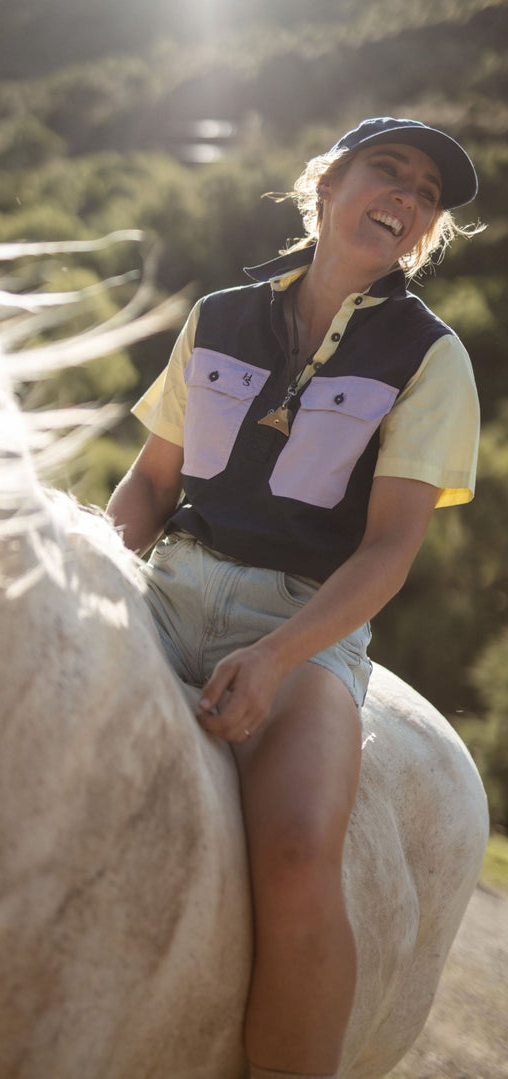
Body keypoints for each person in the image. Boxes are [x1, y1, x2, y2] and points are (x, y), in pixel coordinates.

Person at [106, 116, 480, 1079]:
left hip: (306, 629)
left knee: (297, 855)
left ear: (426, 234)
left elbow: (392, 546)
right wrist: (100, 581)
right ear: (327, 188)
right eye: (386, 172)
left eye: (426, 196)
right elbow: (150, 487)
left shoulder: (432, 357)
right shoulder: (219, 317)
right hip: (167, 592)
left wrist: (276, 657)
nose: (405, 196)